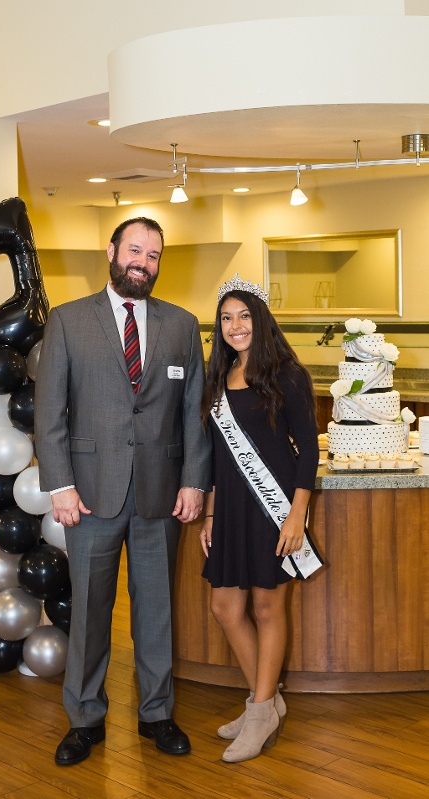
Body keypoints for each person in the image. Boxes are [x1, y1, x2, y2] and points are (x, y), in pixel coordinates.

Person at [34, 217, 211, 766]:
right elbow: (50, 414)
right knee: (89, 609)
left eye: (154, 255)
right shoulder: (66, 322)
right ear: (110, 251)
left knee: (155, 609)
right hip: (88, 495)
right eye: (135, 250)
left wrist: (193, 481)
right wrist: (59, 484)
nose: (143, 262)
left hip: (162, 493)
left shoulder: (181, 325)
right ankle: (85, 718)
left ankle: (156, 713)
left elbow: (193, 415)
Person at [199, 274, 319, 763]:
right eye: (227, 318)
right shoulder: (218, 377)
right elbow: (213, 453)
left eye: (244, 315)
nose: (235, 326)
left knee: (268, 610)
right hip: (228, 508)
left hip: (274, 509)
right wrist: (208, 512)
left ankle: (261, 707)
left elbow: (308, 450)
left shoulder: (287, 374)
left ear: (260, 319)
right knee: (225, 609)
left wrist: (296, 516)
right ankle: (265, 705)